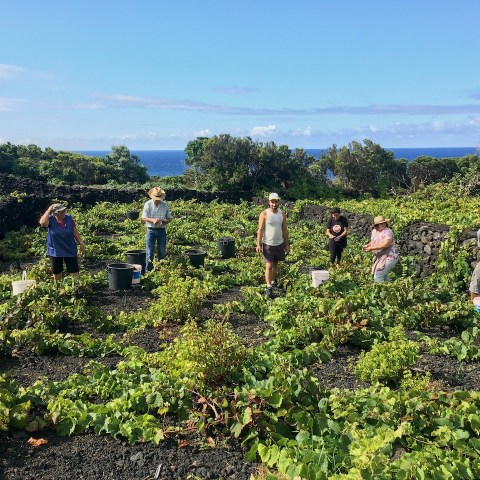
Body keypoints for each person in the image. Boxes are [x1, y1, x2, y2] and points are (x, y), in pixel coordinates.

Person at [39, 203, 85, 280]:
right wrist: (50, 208)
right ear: (55, 213)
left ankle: (76, 288)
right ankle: (58, 288)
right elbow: (42, 223)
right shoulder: (50, 220)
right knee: (57, 272)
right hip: (55, 250)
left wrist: (81, 243)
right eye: (61, 212)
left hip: (69, 248)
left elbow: (75, 232)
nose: (64, 213)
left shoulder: (69, 219)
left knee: (74, 271)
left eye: (64, 211)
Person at [256, 192, 289, 299]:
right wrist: (258, 244)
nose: (274, 204)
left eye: (276, 201)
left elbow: (284, 230)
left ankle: (273, 281)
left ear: (279, 202)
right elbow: (260, 230)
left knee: (275, 264)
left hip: (279, 243)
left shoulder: (282, 214)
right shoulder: (264, 214)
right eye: (272, 201)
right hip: (268, 244)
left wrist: (287, 244)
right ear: (269, 202)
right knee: (269, 266)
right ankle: (269, 287)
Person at [142, 187, 171, 272]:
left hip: (161, 230)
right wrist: (152, 220)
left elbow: (168, 218)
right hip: (151, 230)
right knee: (149, 252)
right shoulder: (148, 204)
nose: (157, 200)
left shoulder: (164, 205)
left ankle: (161, 270)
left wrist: (165, 221)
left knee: (162, 251)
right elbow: (144, 217)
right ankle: (148, 271)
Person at [363, 215, 399, 283]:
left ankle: (379, 290)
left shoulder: (387, 231)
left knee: (378, 274)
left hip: (390, 256)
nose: (383, 224)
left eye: (384, 223)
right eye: (380, 223)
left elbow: (386, 244)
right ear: (376, 225)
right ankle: (390, 289)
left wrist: (372, 248)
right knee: (384, 275)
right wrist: (368, 245)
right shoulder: (374, 231)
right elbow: (373, 242)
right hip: (380, 255)